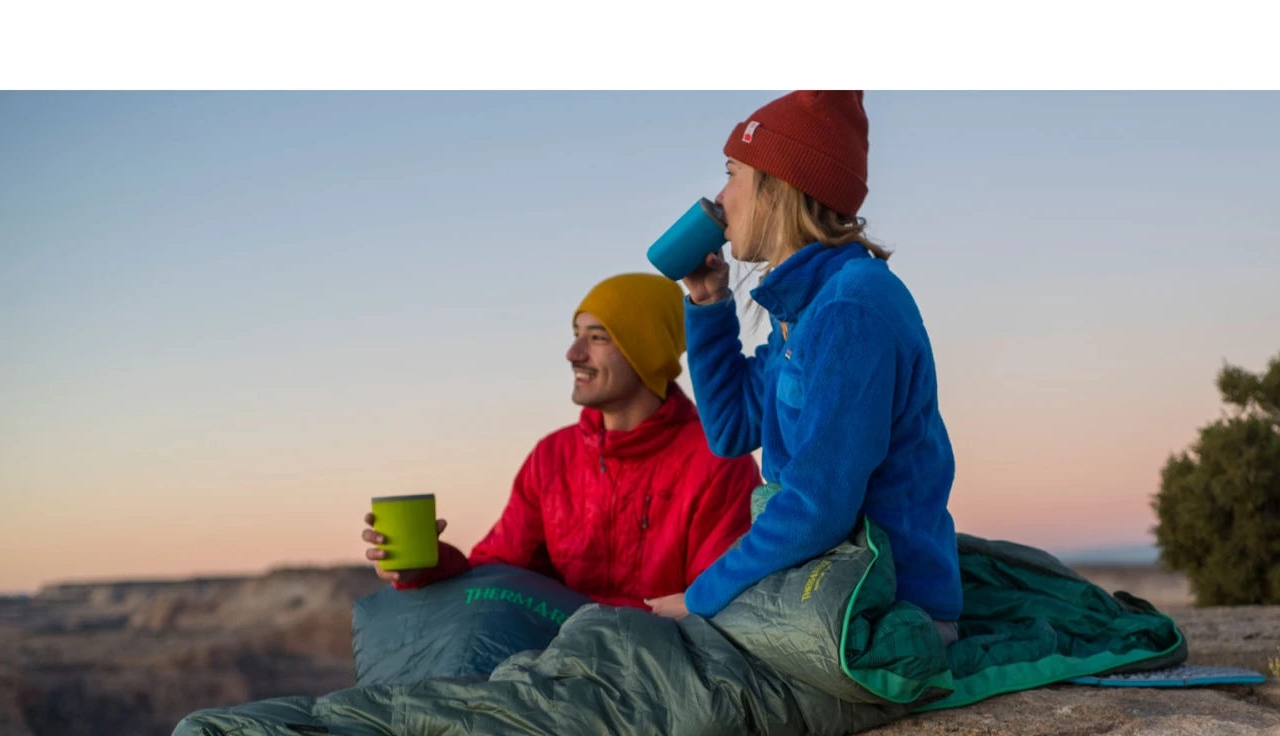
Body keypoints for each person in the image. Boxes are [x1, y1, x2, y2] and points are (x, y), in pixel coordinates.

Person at [650, 91, 962, 641]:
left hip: (882, 615)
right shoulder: (803, 310)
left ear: (778, 185)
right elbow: (730, 429)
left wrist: (699, 598)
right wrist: (708, 302)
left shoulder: (851, 308)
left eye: (732, 173)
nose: (719, 198)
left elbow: (818, 507)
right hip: (831, 591)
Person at [363, 273, 761, 607]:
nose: (573, 353)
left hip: (664, 669)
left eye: (598, 337)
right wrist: (427, 568)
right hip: (555, 668)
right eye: (576, 334)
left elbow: (719, 605)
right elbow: (499, 573)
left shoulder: (716, 460)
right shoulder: (552, 458)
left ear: (649, 352)